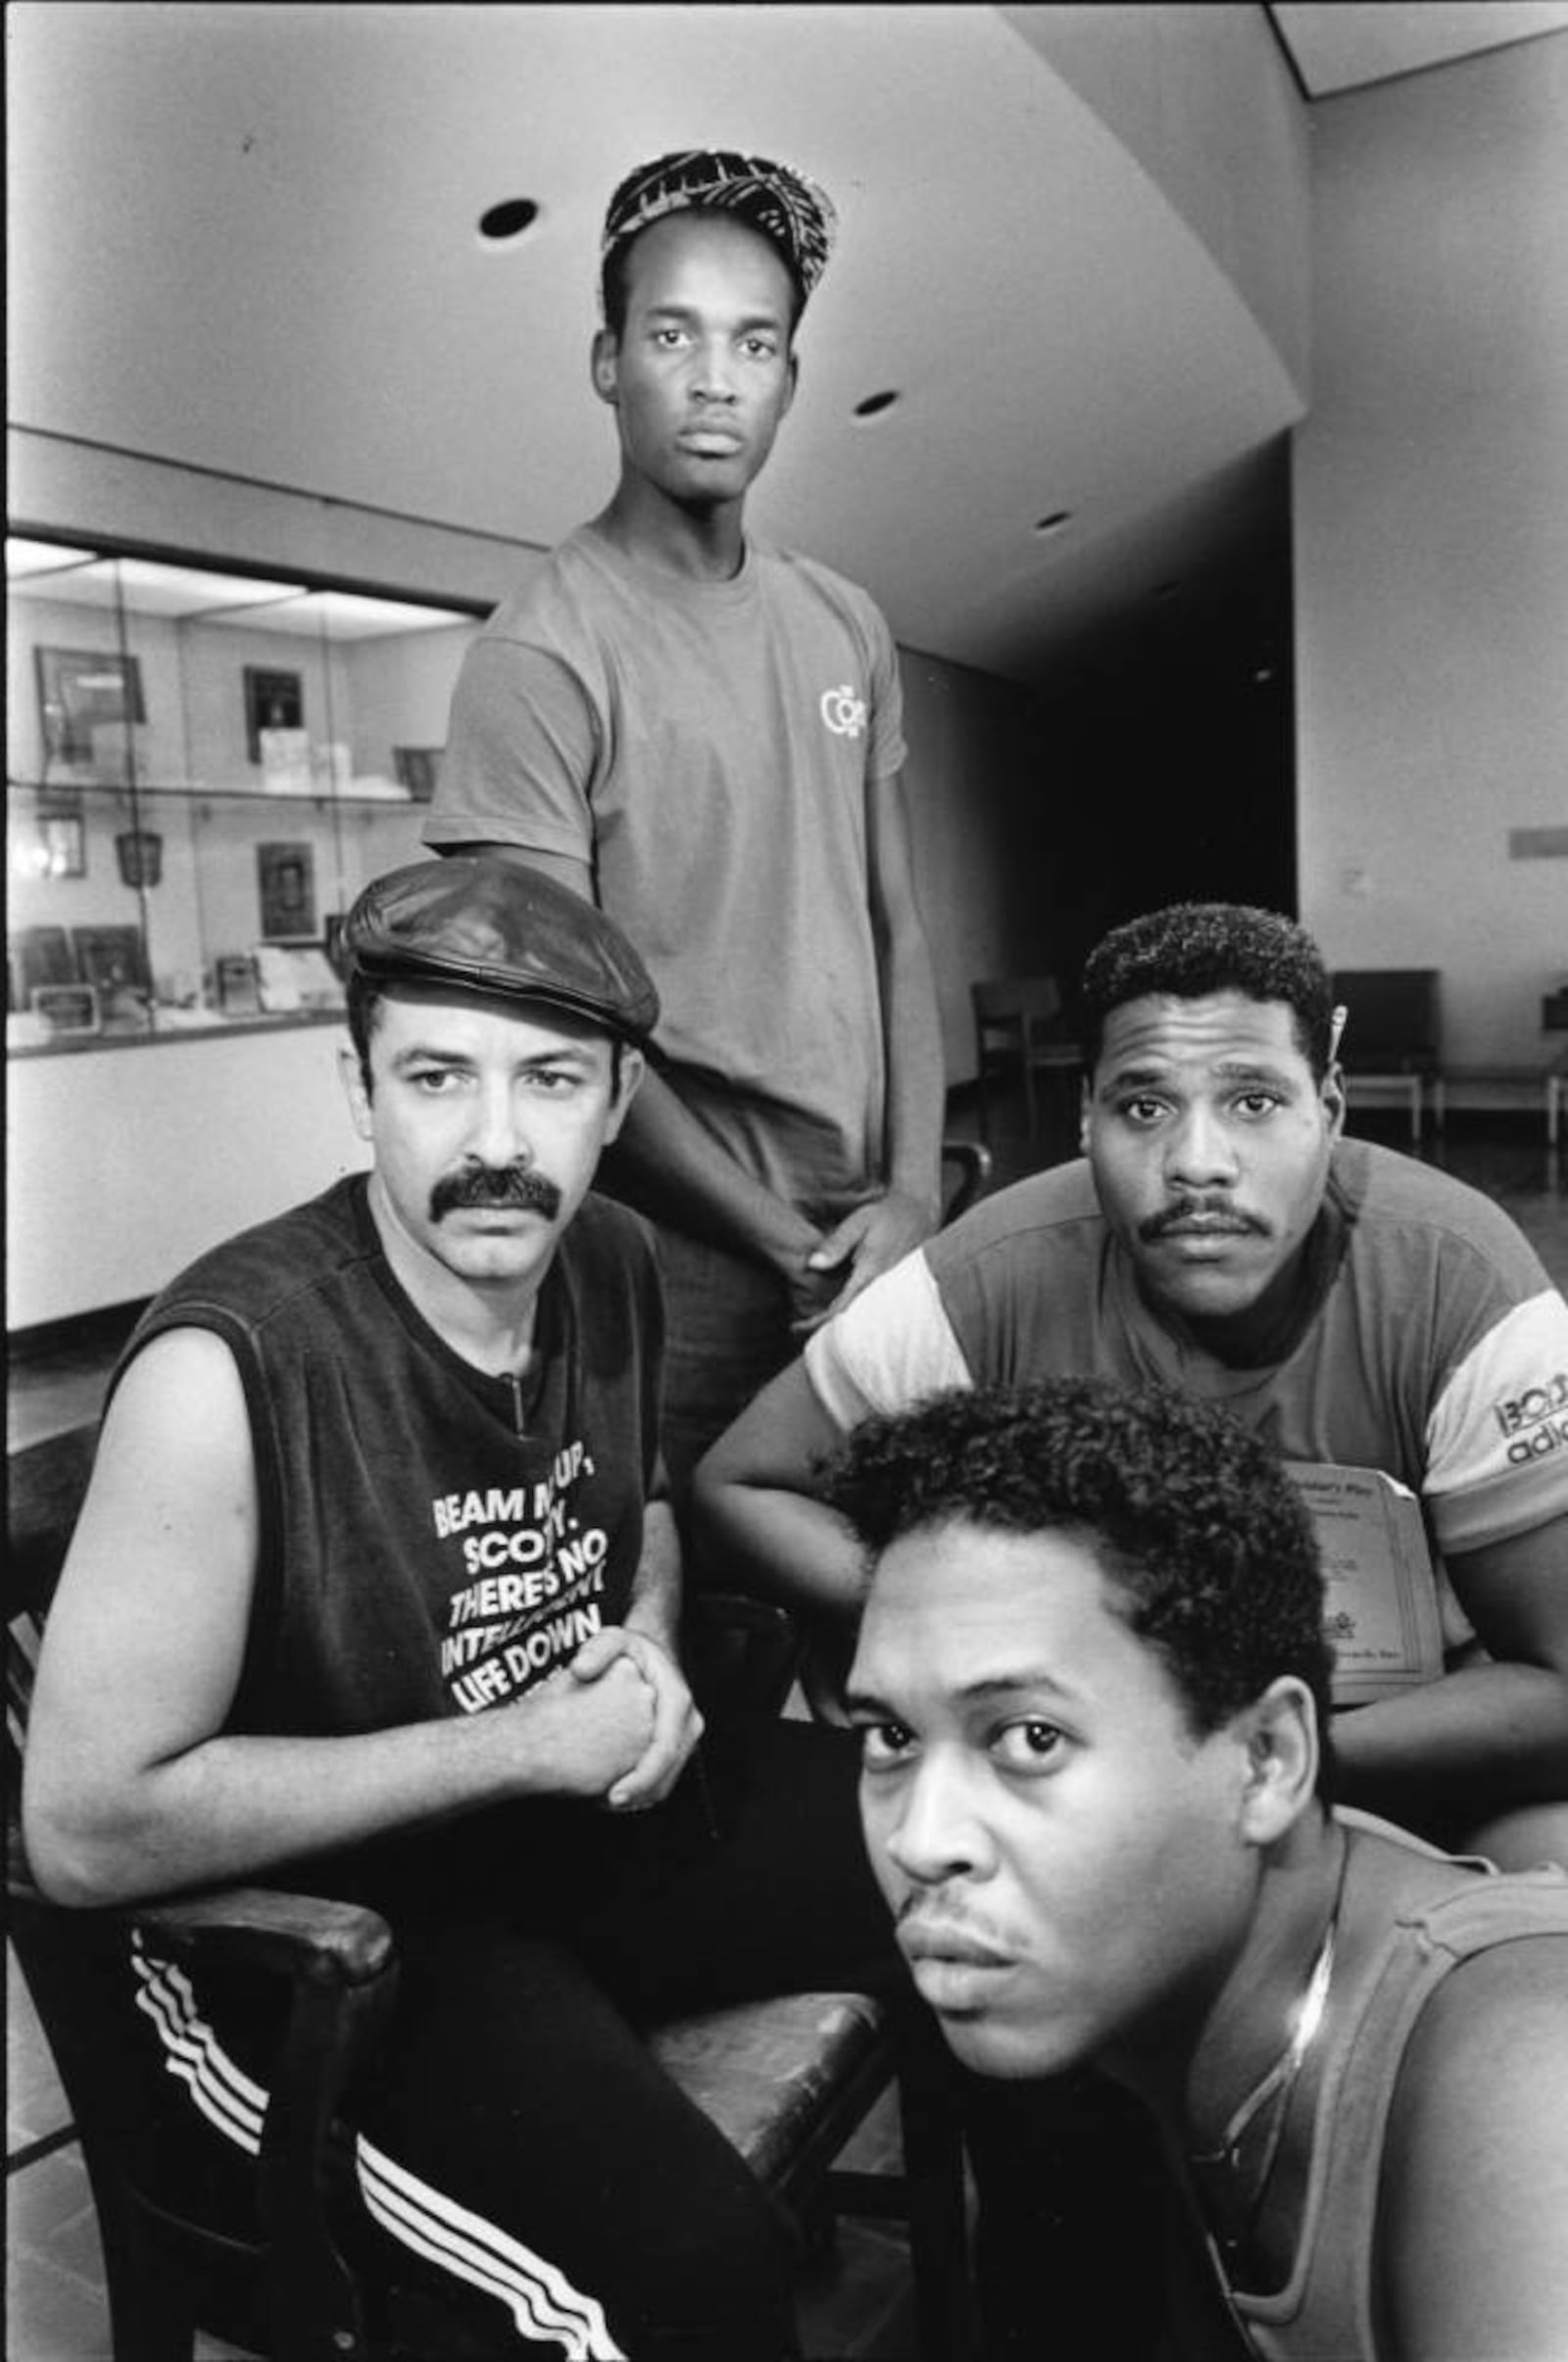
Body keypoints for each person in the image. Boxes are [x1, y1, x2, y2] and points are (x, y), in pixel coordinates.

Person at [22, 854, 903, 2362]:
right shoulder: (230, 1366)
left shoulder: (611, 1255)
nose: (498, 1143)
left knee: (1015, 1859)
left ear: (620, 1099)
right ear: (358, 1087)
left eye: (551, 1080)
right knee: (692, 2272)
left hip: (573, 1823)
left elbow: (652, 1504)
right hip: (336, 1935)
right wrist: (512, 1749)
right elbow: (88, 1827)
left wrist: (645, 1633)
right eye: (437, 1075)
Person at [698, 900, 1568, 1873]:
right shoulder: (994, 1271)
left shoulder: (1460, 1281)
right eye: (1144, 1107)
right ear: (1085, 1120)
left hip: (1399, 1737)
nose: (1197, 1164)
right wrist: (993, 1620)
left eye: (1253, 1101)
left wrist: (1254, 1758)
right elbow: (742, 1485)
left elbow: (1557, 1677)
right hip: (1087, 1739)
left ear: (1328, 1111)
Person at [829, 1376, 1568, 2362]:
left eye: (1030, 1737)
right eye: (889, 1734)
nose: (922, 1840)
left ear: (1266, 1760)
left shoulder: (1523, 2083)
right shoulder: (1180, 2013)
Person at [424, 148, 946, 1497]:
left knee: (887, 1613)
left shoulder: (845, 620)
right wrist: (785, 1243)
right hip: (677, 1263)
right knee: (689, 1639)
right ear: (609, 362)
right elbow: (560, 1025)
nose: (716, 376)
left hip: (869, 1231)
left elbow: (898, 925)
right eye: (674, 334)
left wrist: (916, 1191)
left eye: (754, 341)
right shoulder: (542, 654)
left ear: (788, 378)